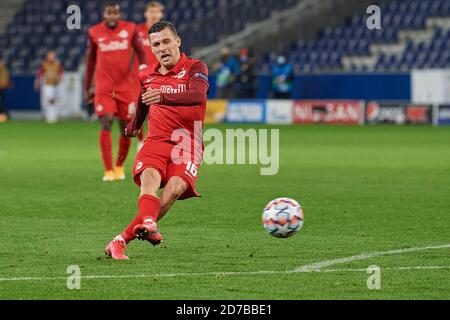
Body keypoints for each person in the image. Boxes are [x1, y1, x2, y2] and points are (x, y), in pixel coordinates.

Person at [104, 21, 209, 260]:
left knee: (174, 189)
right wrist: (134, 125)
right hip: (157, 140)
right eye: (156, 44)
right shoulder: (147, 76)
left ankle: (120, 240)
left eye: (166, 41)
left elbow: (197, 95)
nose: (162, 48)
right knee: (149, 178)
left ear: (177, 41)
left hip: (188, 145)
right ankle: (149, 223)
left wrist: (163, 96)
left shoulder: (195, 67)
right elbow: (143, 101)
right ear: (151, 48)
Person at [84, 2, 148, 182]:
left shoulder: (130, 28)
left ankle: (119, 166)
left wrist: (143, 65)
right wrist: (87, 86)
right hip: (104, 87)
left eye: (115, 13)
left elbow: (140, 50)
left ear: (119, 14)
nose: (112, 16)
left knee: (126, 128)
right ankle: (108, 170)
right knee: (106, 121)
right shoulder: (94, 32)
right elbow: (90, 61)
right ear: (104, 14)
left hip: (125, 87)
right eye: (109, 13)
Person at [134, 1, 165, 150]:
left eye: (157, 12)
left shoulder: (166, 32)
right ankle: (141, 142)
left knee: (158, 111)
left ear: (161, 14)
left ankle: (155, 140)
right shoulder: (137, 31)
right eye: (151, 11)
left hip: (160, 77)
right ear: (146, 13)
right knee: (138, 110)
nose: (154, 14)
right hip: (139, 77)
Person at [34, 51, 63, 124]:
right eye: (50, 55)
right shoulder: (44, 64)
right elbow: (39, 74)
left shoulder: (57, 64)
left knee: (55, 101)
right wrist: (37, 83)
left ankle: (54, 115)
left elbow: (61, 73)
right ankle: (49, 116)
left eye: (53, 56)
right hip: (47, 85)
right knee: (48, 101)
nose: (52, 57)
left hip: (56, 84)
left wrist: (59, 79)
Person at [0, 56, 11, 122]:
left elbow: (5, 81)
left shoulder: (4, 70)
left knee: (1, 102)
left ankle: (5, 115)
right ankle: (4, 115)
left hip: (1, 89)